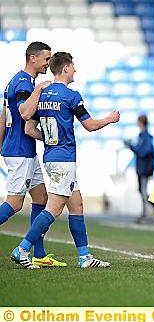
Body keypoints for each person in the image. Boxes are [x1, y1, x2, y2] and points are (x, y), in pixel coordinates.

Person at [11, 51, 120, 269]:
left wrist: (51, 139)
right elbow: (89, 125)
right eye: (73, 67)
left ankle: (84, 257)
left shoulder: (40, 95)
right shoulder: (71, 95)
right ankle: (22, 249)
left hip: (51, 156)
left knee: (77, 205)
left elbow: (29, 129)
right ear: (67, 68)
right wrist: (110, 119)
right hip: (64, 159)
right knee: (54, 209)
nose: (75, 70)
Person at [0, 41, 66, 267]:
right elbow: (25, 113)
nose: (49, 63)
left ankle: (38, 254)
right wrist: (39, 89)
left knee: (41, 198)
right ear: (33, 58)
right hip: (20, 152)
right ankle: (29, 252)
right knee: (15, 203)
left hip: (22, 149)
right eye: (46, 59)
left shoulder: (14, 80)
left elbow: (3, 115)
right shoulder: (25, 84)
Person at [124, 114, 154, 223]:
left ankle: (145, 215)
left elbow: (144, 152)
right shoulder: (142, 136)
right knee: (141, 190)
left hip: (145, 168)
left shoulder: (146, 137)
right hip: (142, 167)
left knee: (143, 190)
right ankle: (153, 210)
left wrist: (132, 147)